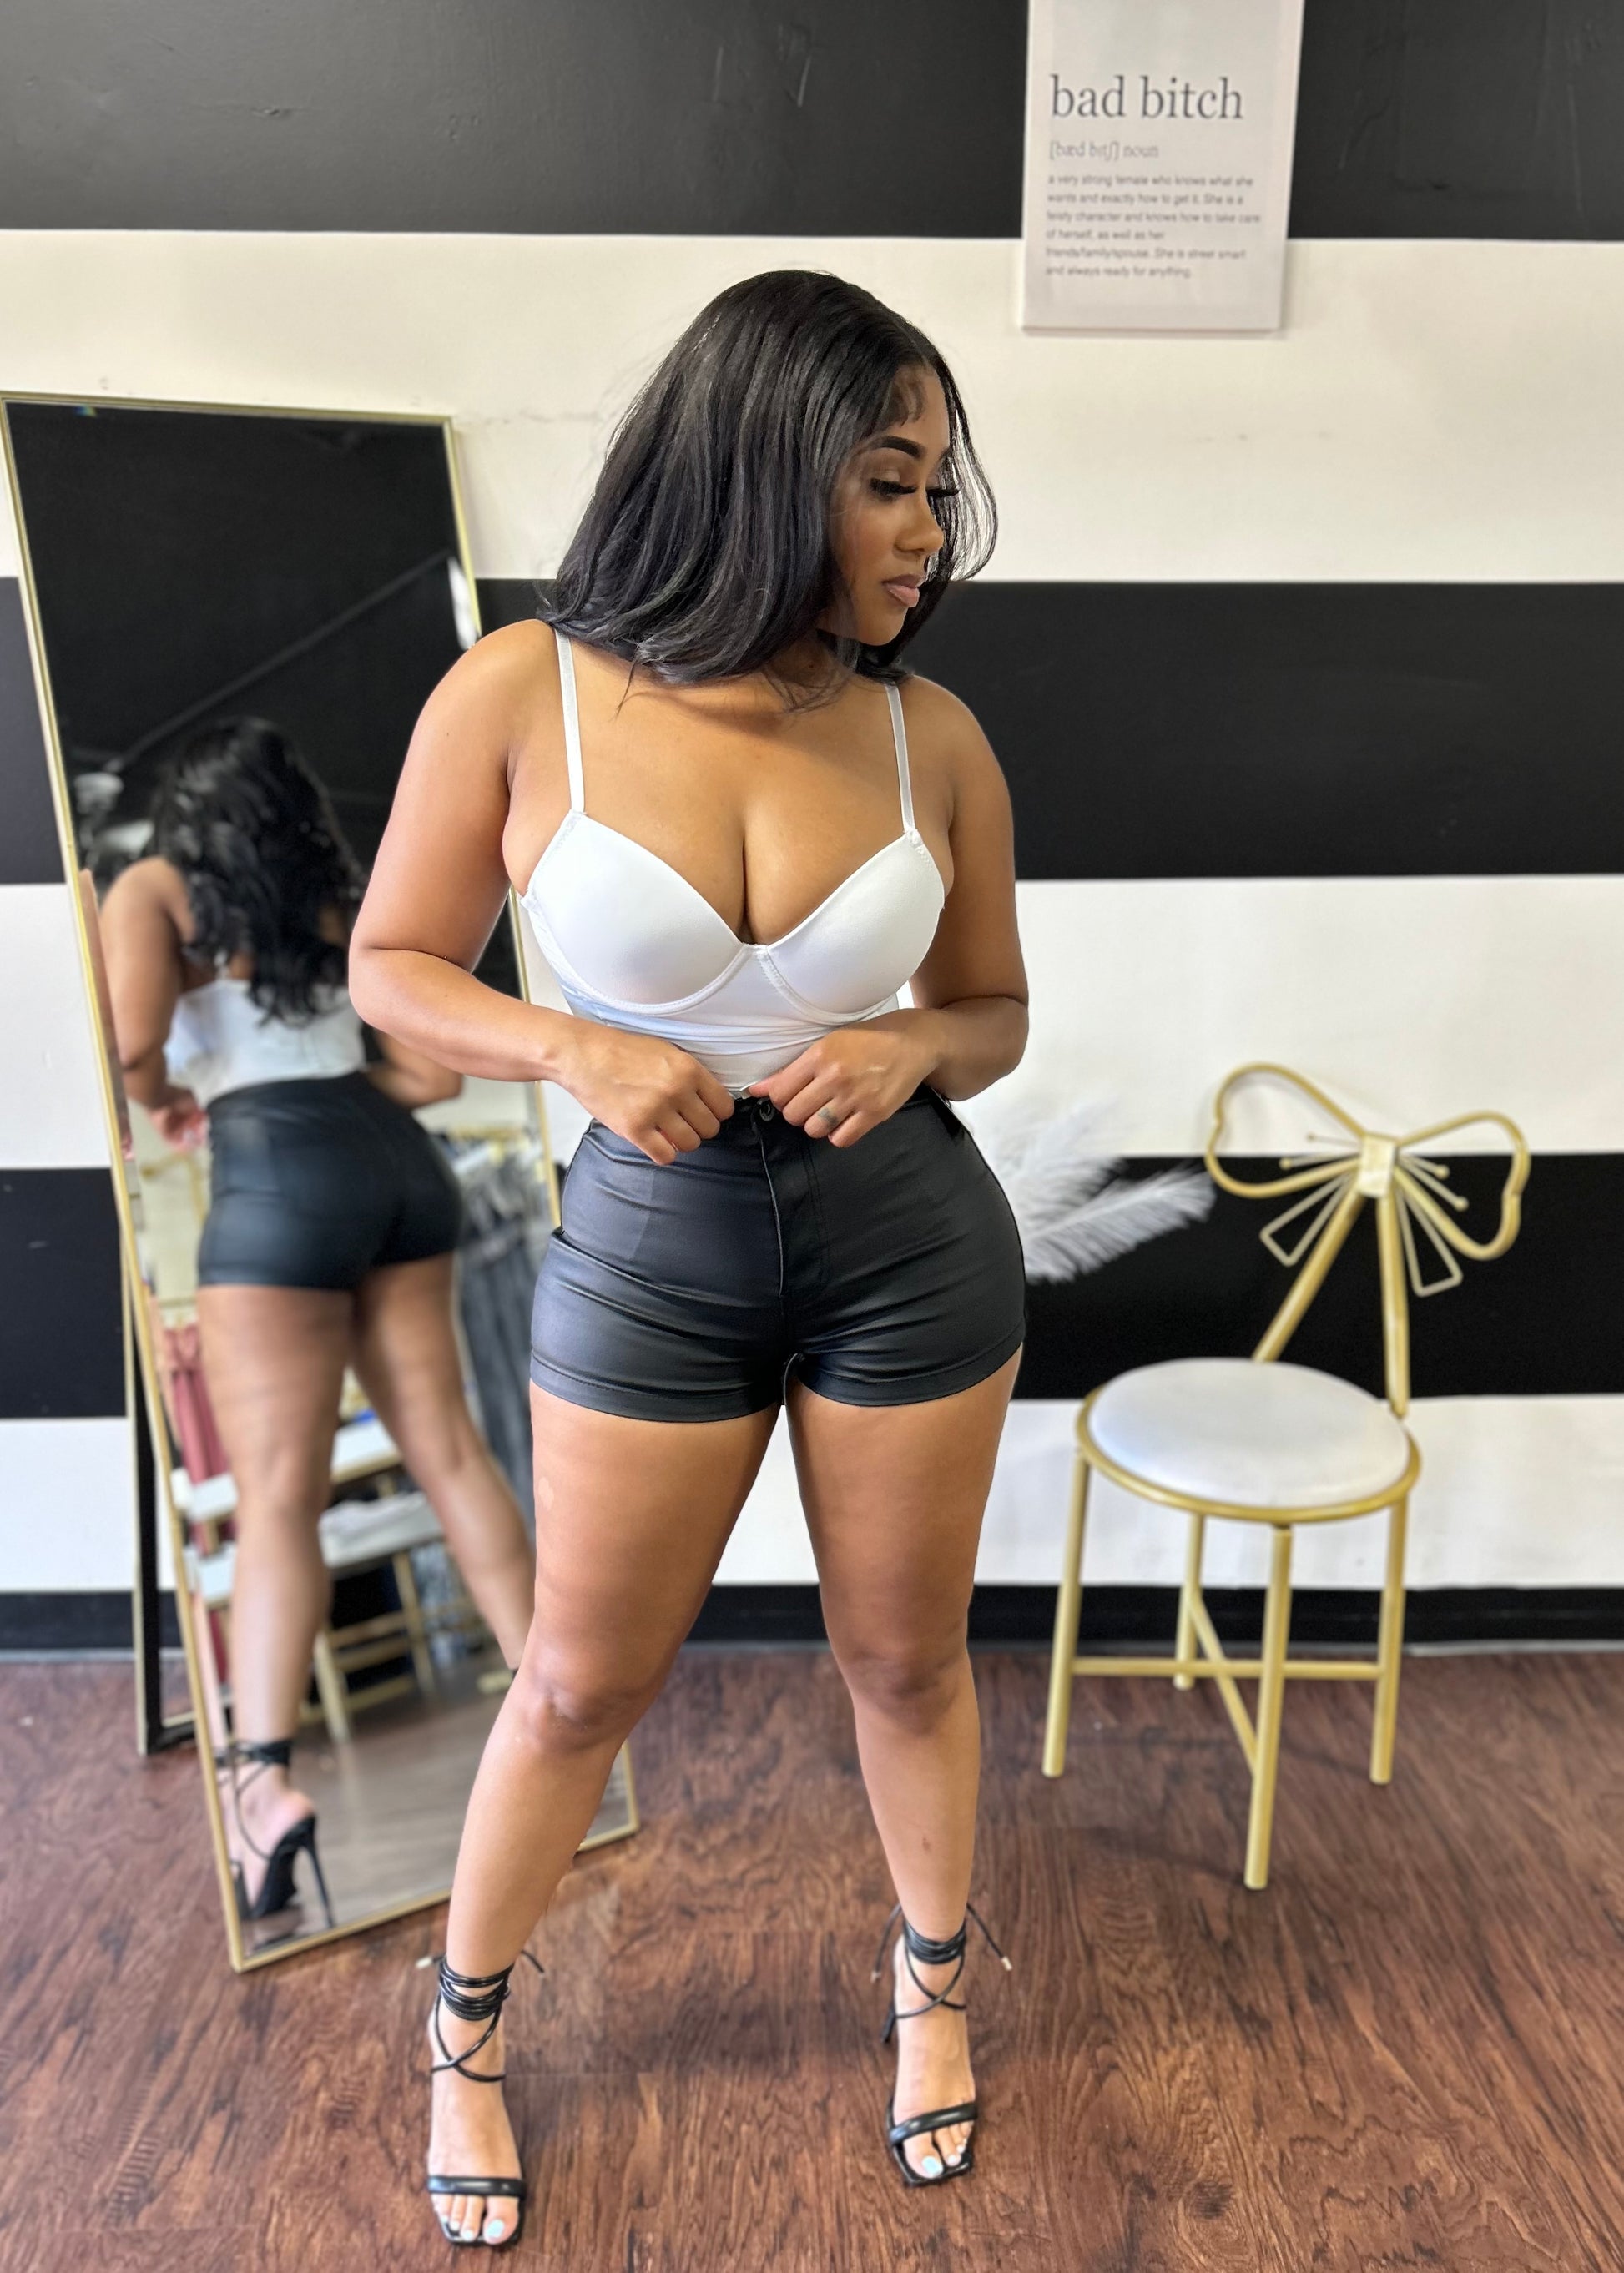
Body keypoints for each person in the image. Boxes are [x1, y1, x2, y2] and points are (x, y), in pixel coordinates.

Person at [351, 269, 1029, 2247]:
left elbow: (992, 1012)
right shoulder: (523, 690)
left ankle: (930, 1997)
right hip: (649, 1247)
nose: (928, 529)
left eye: (936, 486)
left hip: (908, 1239)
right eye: (890, 480)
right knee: (578, 1679)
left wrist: (912, 1043)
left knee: (902, 1660)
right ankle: (463, 2040)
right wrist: (567, 1045)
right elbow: (391, 967)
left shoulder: (930, 737)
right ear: (764, 464)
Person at [100, 718, 537, 1932]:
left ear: (183, 811)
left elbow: (131, 1045)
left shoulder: (153, 889)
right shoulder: (337, 901)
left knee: (276, 1500)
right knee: (452, 1452)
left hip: (272, 1179)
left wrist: (171, 1097)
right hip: (396, 1167)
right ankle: (557, 1720)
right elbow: (436, 1076)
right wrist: (339, 1095)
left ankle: (263, 1787)